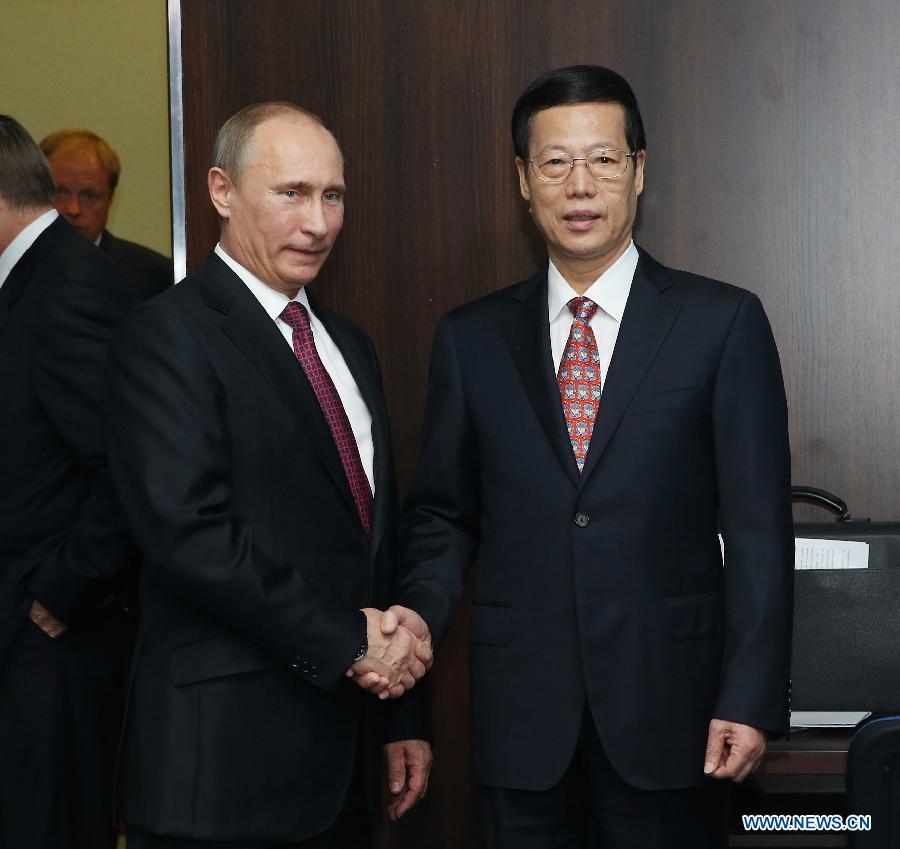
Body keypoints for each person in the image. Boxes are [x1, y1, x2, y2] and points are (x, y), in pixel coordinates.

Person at [396, 65, 794, 848]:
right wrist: (412, 619)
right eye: (555, 162)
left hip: (674, 713)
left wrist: (749, 694)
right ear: (523, 178)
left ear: (639, 171)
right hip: (521, 722)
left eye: (604, 159)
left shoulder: (722, 323)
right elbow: (444, 514)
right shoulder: (471, 339)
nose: (580, 184)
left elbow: (756, 529)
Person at [105, 102, 433, 849]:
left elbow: (369, 545)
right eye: (290, 193)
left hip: (341, 764)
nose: (317, 222)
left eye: (333, 195)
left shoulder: (348, 344)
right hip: (221, 772)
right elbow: (190, 536)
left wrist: (398, 716)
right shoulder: (165, 335)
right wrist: (351, 642)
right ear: (221, 191)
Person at [0, 115, 153, 849]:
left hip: (54, 643)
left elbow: (130, 464)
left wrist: (63, 590)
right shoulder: (37, 277)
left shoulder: (65, 288)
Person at [40, 127, 173, 293]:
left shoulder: (157, 277)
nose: (73, 209)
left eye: (89, 196)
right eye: (60, 192)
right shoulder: (10, 267)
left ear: (110, 199)